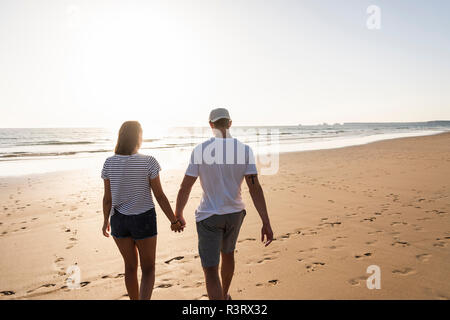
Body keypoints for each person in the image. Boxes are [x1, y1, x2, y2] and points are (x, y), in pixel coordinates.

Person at [175, 108, 274, 300]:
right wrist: (266, 222)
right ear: (229, 123)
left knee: (211, 270)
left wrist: (178, 214)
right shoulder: (245, 150)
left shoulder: (200, 150)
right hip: (235, 214)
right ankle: (224, 294)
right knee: (228, 254)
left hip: (209, 215)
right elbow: (255, 187)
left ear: (211, 125)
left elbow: (185, 187)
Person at [101, 121, 183, 300]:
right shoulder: (149, 161)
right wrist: (173, 220)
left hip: (119, 220)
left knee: (130, 267)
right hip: (143, 218)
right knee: (148, 269)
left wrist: (105, 221)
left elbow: (107, 199)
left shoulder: (109, 163)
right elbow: (159, 195)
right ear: (138, 136)